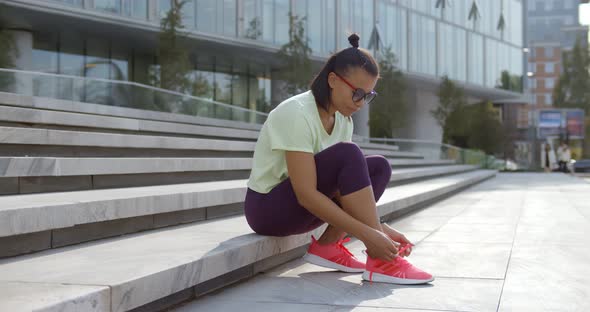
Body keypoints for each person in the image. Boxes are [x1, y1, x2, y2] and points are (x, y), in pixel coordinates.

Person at [244, 34, 433, 285]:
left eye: (367, 95)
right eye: (357, 93)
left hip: (301, 211)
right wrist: (370, 236)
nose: (361, 103)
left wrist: (383, 230)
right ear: (332, 80)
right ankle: (381, 261)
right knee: (349, 153)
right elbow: (306, 195)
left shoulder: (343, 120)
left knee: (378, 167)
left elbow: (344, 193)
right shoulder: (297, 113)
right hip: (268, 210)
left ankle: (328, 246)